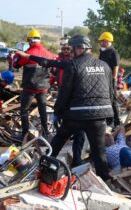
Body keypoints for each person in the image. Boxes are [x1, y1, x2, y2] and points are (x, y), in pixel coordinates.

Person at [17, 35, 114, 181]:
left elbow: (64, 92)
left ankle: (40, 171)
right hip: (99, 116)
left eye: (72, 49)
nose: (71, 52)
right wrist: (112, 115)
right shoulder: (104, 66)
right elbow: (111, 92)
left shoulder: (73, 65)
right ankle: (105, 180)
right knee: (99, 152)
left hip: (76, 116)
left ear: (79, 48)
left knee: (56, 143)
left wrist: (58, 112)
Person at [13, 29, 56, 139]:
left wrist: (16, 55)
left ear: (30, 40)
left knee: (24, 110)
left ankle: (25, 134)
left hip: (29, 88)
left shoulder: (27, 53)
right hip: (43, 88)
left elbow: (15, 65)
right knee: (42, 110)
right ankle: (46, 132)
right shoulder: (49, 54)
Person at [98, 31, 120, 127]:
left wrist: (113, 80)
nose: (101, 43)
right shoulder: (102, 52)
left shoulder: (113, 53)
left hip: (110, 80)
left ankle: (116, 121)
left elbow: (116, 67)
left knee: (112, 100)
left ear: (107, 41)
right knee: (105, 99)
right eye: (101, 41)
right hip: (102, 79)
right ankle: (108, 119)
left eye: (103, 41)